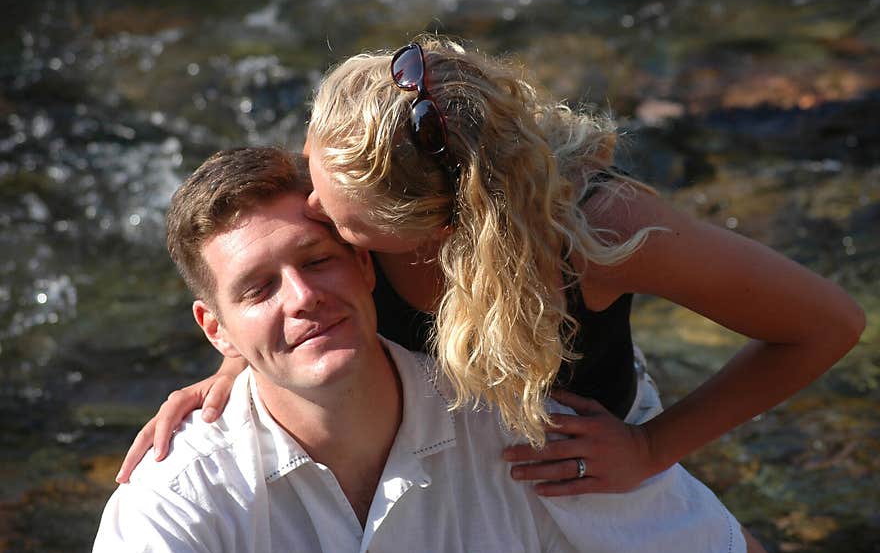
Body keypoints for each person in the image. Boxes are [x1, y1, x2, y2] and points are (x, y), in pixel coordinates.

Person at [116, 36, 863, 503]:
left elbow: (829, 325)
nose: (310, 209)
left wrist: (650, 449)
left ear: (436, 230)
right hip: (426, 462)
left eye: (342, 229)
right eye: (312, 168)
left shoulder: (600, 228)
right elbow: (265, 268)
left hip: (571, 453)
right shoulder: (359, 169)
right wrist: (240, 362)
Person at [92, 146, 771, 553]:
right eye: (259, 287)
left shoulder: (522, 434)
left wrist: (648, 446)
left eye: (316, 261)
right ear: (216, 330)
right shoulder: (173, 503)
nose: (301, 298)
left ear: (365, 260)